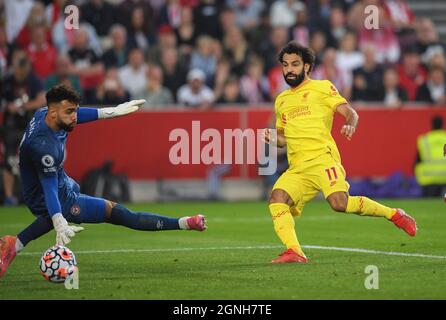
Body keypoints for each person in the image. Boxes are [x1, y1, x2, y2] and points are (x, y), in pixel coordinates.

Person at [0, 85, 206, 279]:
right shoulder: (43, 147)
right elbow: (49, 187)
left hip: (62, 183)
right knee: (120, 214)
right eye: (70, 112)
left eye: (75, 111)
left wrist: (112, 112)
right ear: (54, 113)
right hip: (45, 196)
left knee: (87, 195)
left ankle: (15, 243)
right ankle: (185, 223)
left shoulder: (45, 114)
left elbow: (76, 115)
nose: (75, 117)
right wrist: (58, 220)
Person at [261, 41, 417, 264]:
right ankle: (295, 251)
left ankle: (394, 214)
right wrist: (273, 139)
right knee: (277, 198)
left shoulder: (322, 87)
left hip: (323, 160)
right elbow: (283, 139)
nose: (289, 69)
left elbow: (350, 112)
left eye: (295, 64)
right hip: (298, 168)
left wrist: (351, 123)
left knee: (339, 203)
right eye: (285, 65)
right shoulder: (282, 101)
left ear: (306, 66)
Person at [415, 116, 446, 197]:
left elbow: (417, 161)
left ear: (432, 125)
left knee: (429, 202)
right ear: (442, 125)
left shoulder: (424, 140)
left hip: (429, 179)